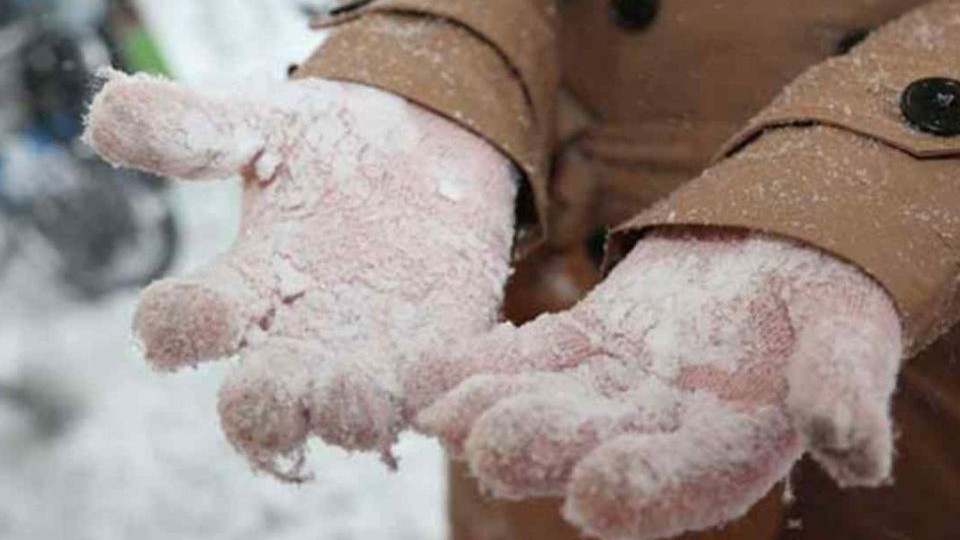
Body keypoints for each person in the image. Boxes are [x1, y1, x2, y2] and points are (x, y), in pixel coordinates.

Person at [83, 1, 960, 538]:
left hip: (914, 319)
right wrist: (436, 59)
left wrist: (874, 180)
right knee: (542, 475)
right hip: (557, 297)